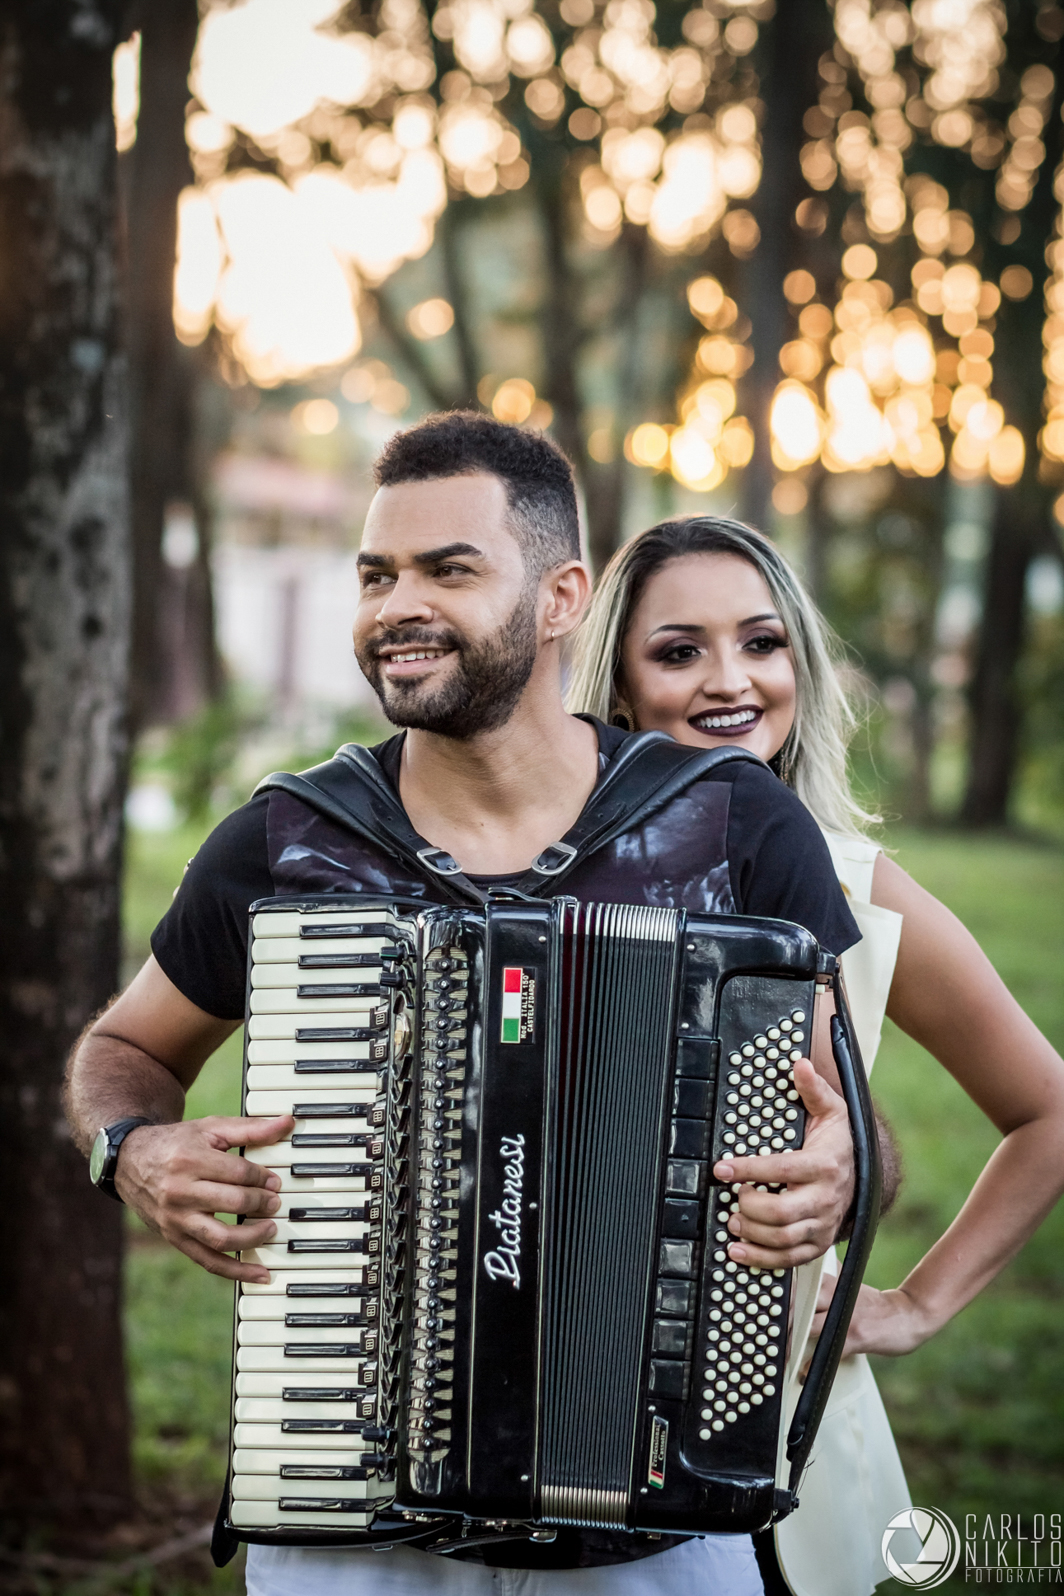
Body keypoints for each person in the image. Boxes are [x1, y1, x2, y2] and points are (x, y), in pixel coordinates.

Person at [68, 416, 874, 1596]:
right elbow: (126, 1048)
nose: (398, 606)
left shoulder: (735, 824)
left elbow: (843, 1128)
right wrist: (130, 1148)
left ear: (560, 599)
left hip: (650, 1530)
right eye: (375, 575)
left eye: (448, 570)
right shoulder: (288, 839)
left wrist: (839, 1170)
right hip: (349, 1526)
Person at [566, 512, 1064, 1596]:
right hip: (564, 1411)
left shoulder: (857, 886)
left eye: (761, 642)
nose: (729, 679)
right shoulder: (550, 887)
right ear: (618, 692)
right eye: (678, 651)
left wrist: (914, 1306)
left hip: (778, 1445)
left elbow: (1048, 1111)